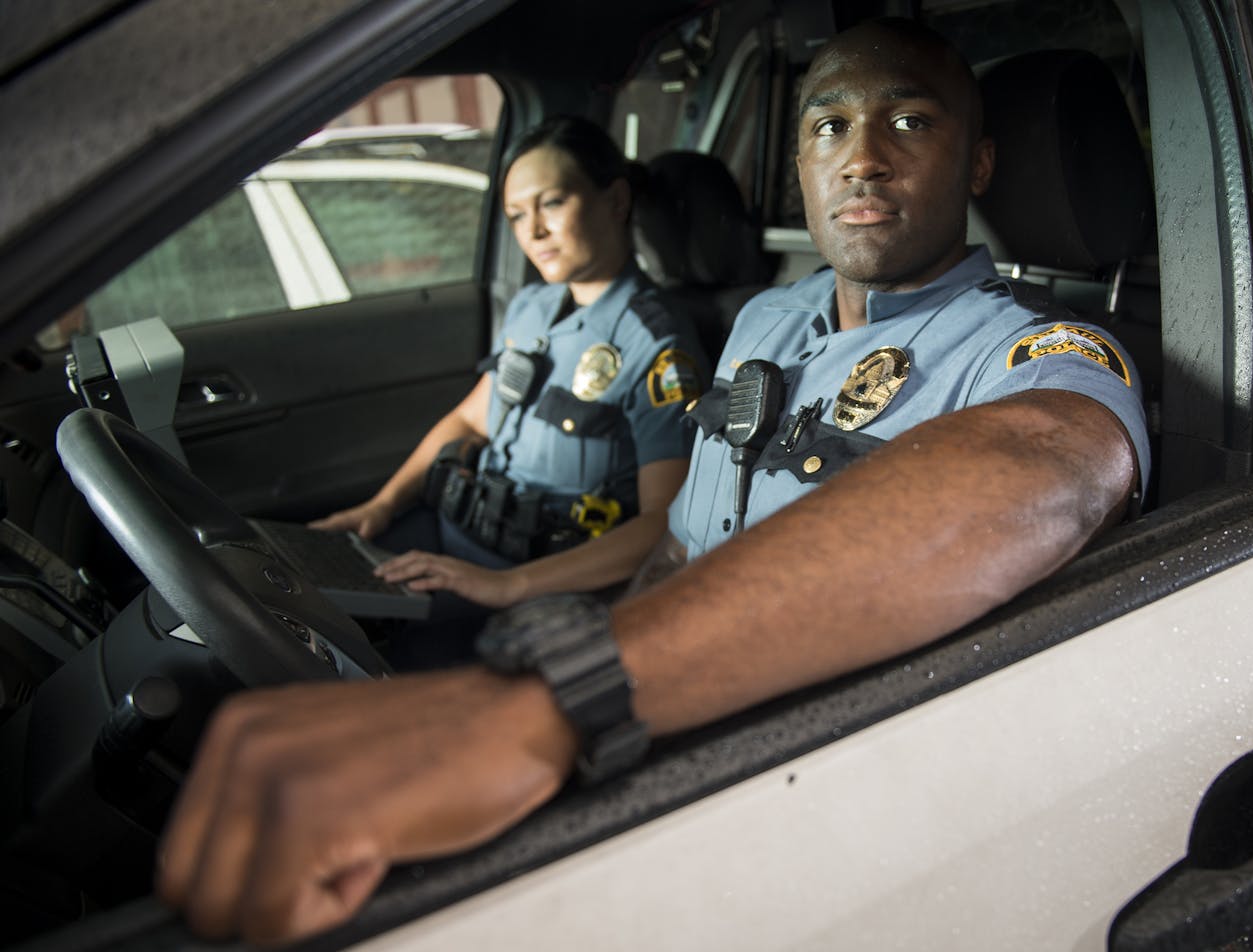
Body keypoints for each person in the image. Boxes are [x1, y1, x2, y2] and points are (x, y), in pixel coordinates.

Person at [157, 18, 1146, 944]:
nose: (862, 154)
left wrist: (551, 700)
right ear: (799, 161)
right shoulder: (768, 319)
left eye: (909, 121)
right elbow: (678, 539)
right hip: (651, 716)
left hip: (811, 766)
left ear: (975, 163)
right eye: (829, 125)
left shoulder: (1028, 349)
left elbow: (1052, 460)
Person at [310, 116, 707, 666]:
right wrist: (383, 504)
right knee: (304, 587)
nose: (533, 233)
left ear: (615, 200)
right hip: (459, 532)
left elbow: (666, 524)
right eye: (518, 216)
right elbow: (472, 420)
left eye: (552, 204)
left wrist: (508, 586)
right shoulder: (533, 307)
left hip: (537, 582)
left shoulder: (656, 344)